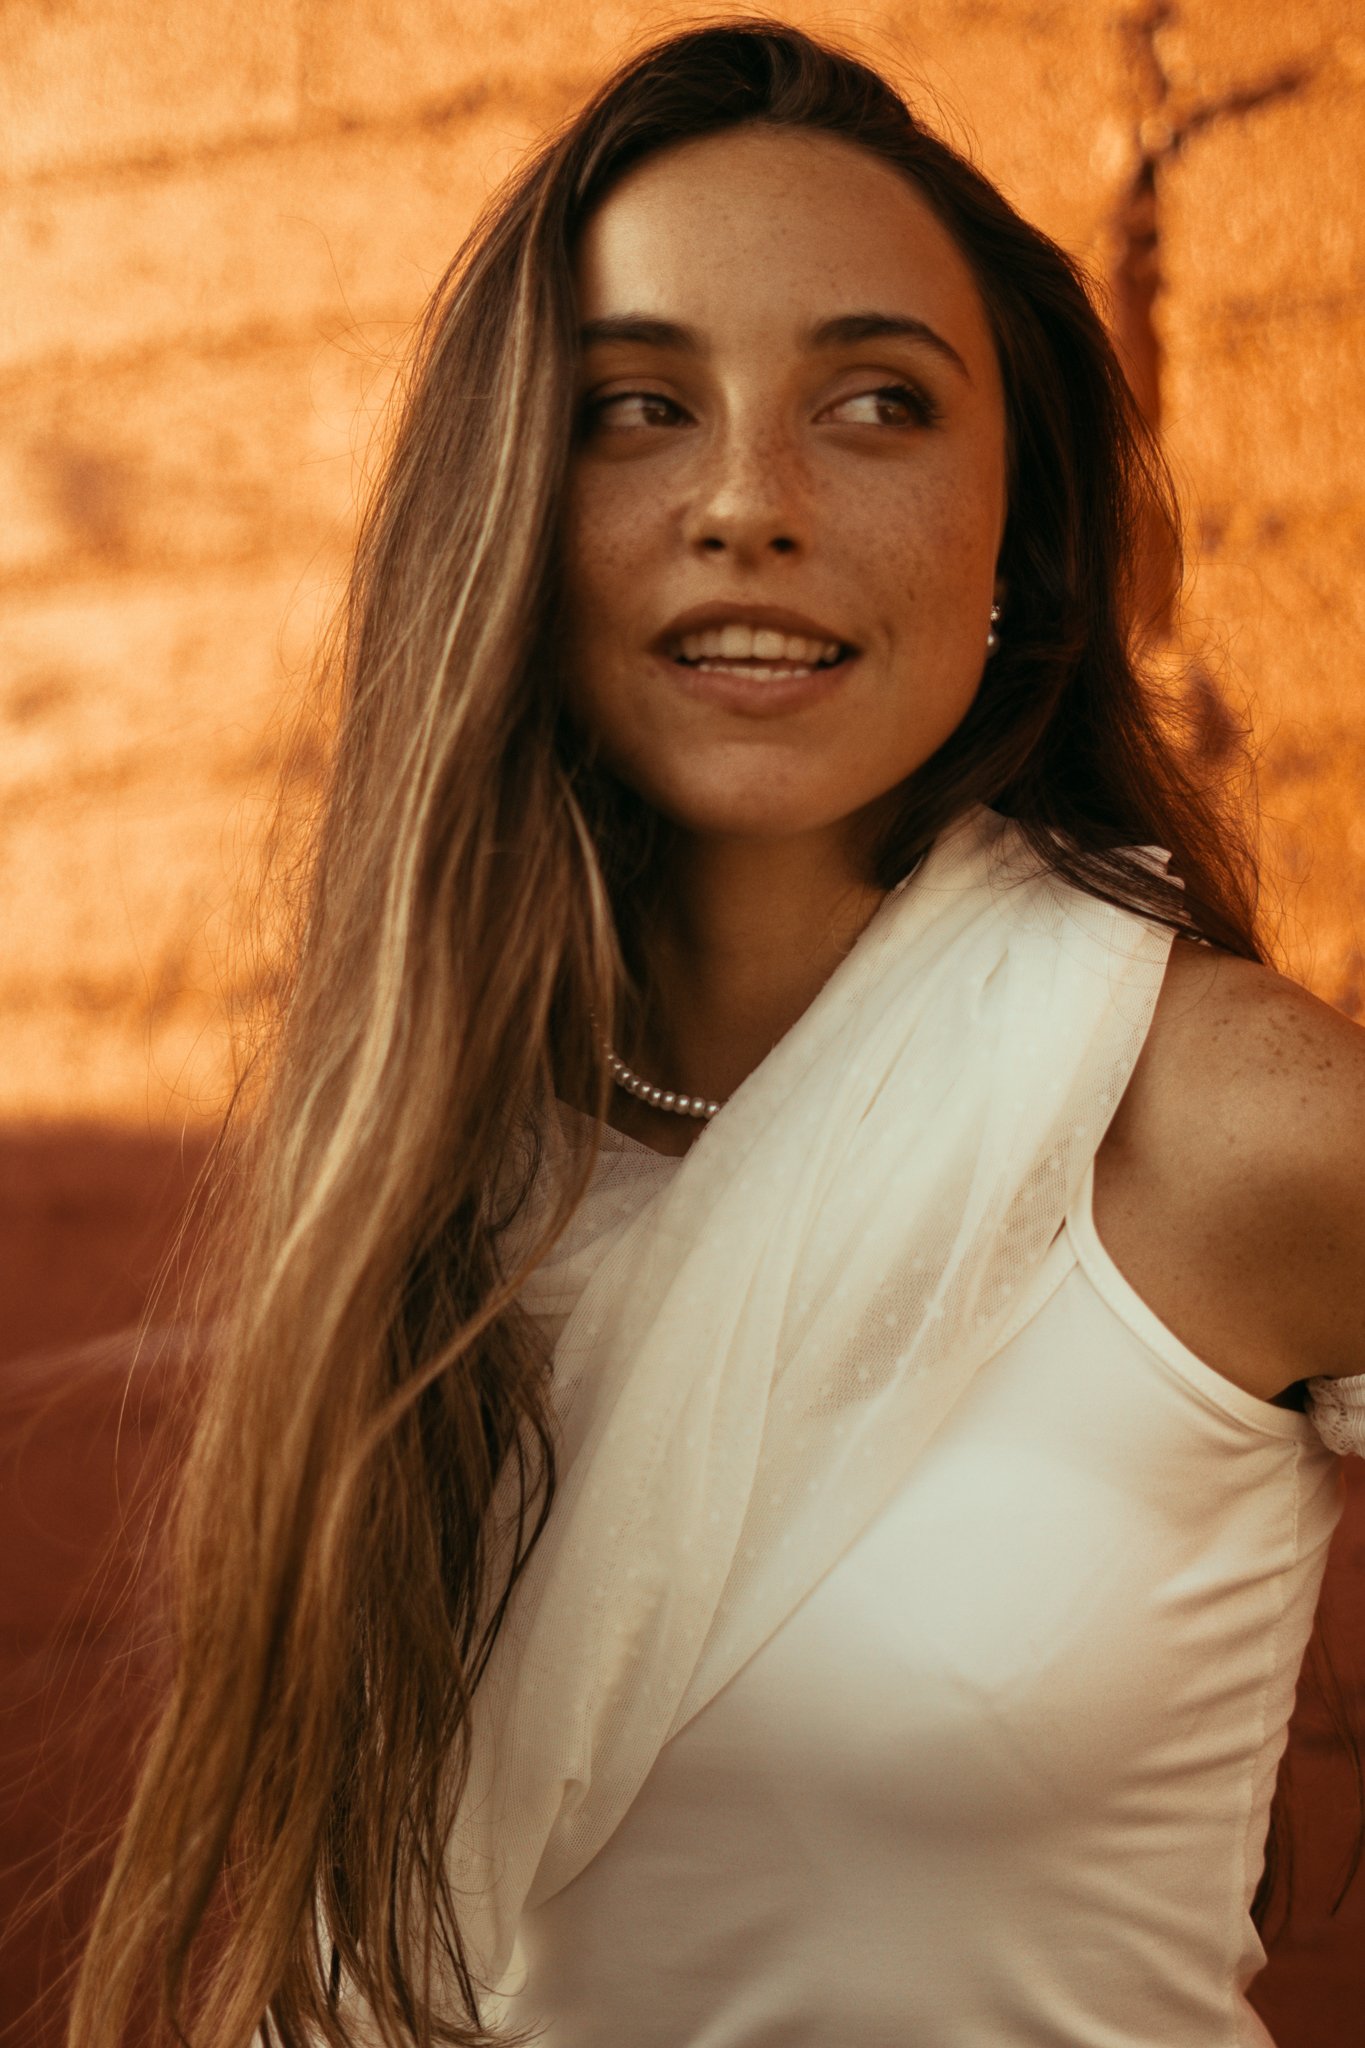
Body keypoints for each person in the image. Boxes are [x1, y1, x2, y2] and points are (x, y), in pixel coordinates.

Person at [69, 21, 1365, 2048]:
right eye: (636, 408)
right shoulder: (421, 1165)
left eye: (873, 404)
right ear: (507, 519)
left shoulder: (1226, 1126)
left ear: (1020, 551)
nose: (747, 502)